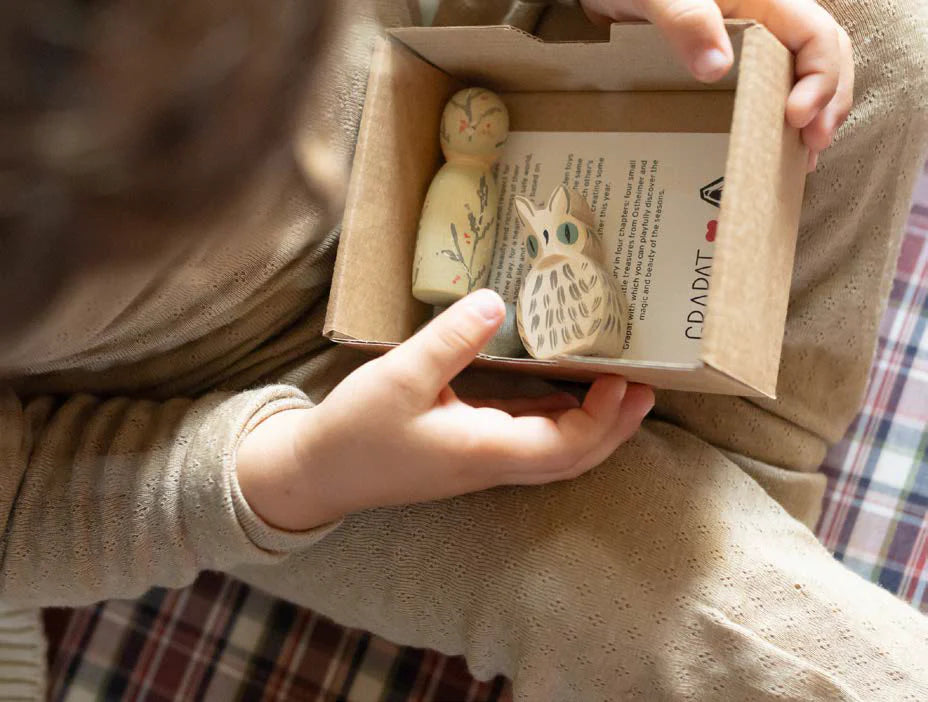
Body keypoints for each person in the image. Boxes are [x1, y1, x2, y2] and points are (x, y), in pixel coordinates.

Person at [0, 0, 926, 699]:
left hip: (450, 71)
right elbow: (25, 512)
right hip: (273, 421)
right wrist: (294, 475)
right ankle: (732, 493)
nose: (320, 175)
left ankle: (746, 465)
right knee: (665, 603)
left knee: (871, 39)